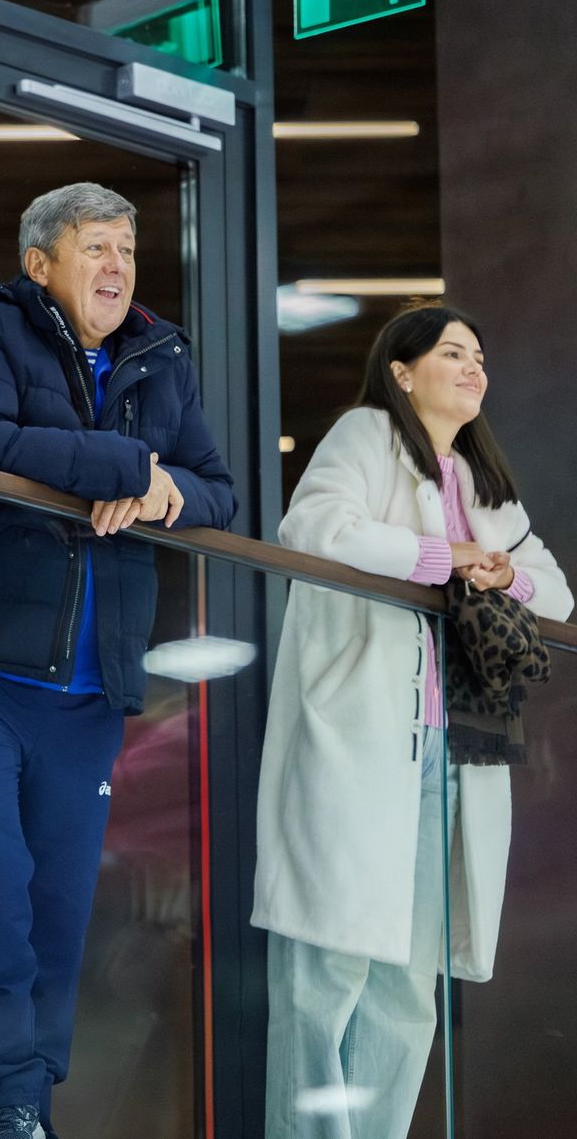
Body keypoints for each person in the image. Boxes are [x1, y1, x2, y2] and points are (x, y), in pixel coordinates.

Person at [0, 182, 236, 1139]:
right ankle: (4, 1096)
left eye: (126, 252)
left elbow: (216, 489)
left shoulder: (160, 351)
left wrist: (160, 492)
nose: (116, 268)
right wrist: (126, 469)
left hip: (95, 687)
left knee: (58, 908)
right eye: (96, 247)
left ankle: (27, 1102)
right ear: (40, 261)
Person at [254, 307, 570, 1139]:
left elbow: (557, 591)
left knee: (406, 986)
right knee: (326, 968)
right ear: (402, 370)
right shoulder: (366, 435)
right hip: (361, 739)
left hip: (453, 749)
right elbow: (314, 526)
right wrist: (444, 558)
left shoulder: (482, 483)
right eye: (453, 352)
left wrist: (502, 574)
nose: (474, 367)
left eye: (481, 356)